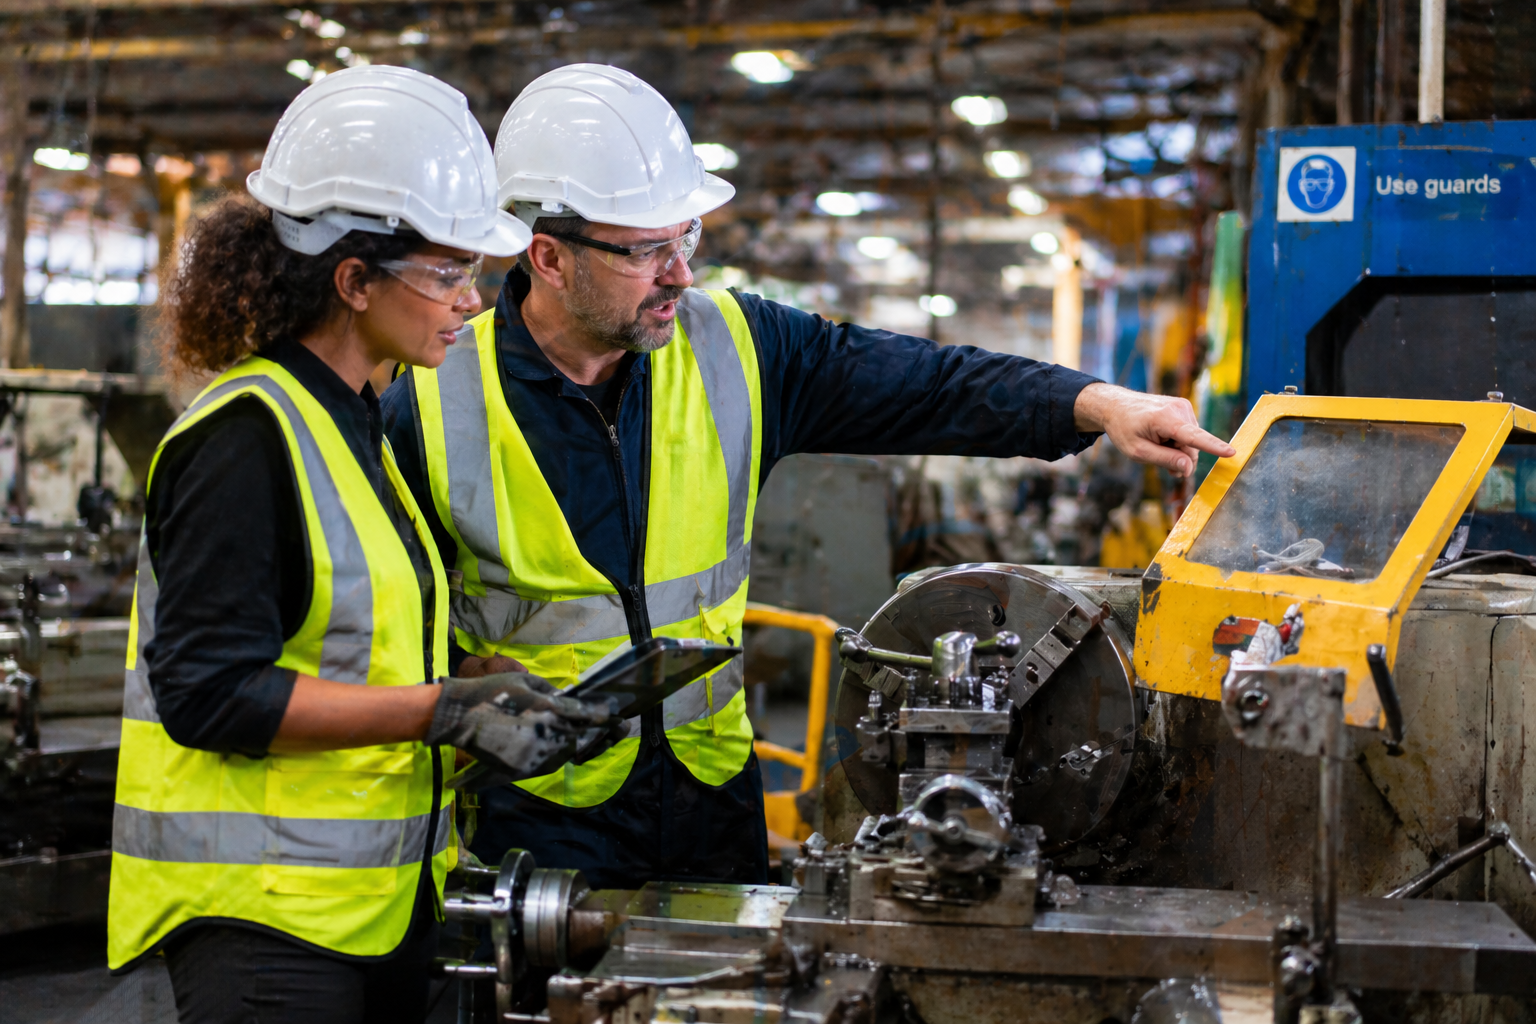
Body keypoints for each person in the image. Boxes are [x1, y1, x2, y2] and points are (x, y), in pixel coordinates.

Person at [381, 63, 1236, 891]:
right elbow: (366, 630)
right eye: (647, 250)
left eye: (687, 238)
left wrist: (1095, 403)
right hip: (538, 816)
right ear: (550, 258)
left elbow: (927, 383)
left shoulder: (738, 350)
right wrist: (457, 673)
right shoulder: (424, 404)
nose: (682, 272)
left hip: (712, 800)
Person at [106, 65, 619, 1024]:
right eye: (444, 272)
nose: (471, 300)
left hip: (365, 912)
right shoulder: (244, 437)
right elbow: (209, 692)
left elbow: (337, 638)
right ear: (352, 280)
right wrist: (441, 710)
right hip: (264, 926)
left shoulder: (354, 418)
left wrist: (479, 677)